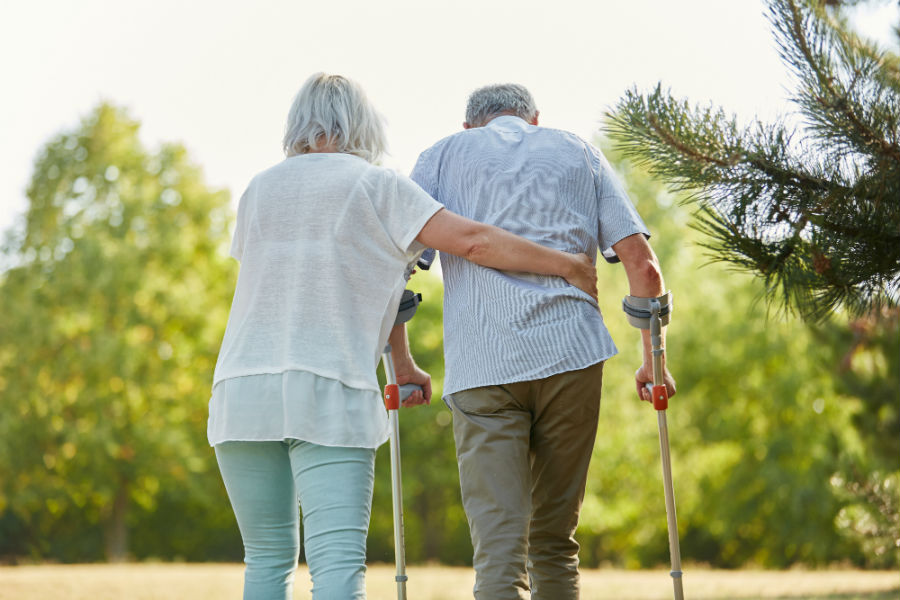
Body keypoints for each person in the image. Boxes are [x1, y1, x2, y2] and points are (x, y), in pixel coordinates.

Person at [207, 73, 598, 600]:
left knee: (268, 558)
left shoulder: (259, 188)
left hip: (240, 391)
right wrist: (568, 265)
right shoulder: (376, 186)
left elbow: (336, 282)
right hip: (330, 391)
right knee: (338, 569)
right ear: (365, 124)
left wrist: (402, 363)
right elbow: (474, 242)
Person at [411, 83, 677, 600]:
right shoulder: (578, 150)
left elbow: (394, 268)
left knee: (499, 552)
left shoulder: (440, 156)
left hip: (483, 365)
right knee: (554, 543)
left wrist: (401, 362)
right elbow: (644, 268)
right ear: (534, 119)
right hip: (571, 357)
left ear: (470, 126)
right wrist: (653, 362)